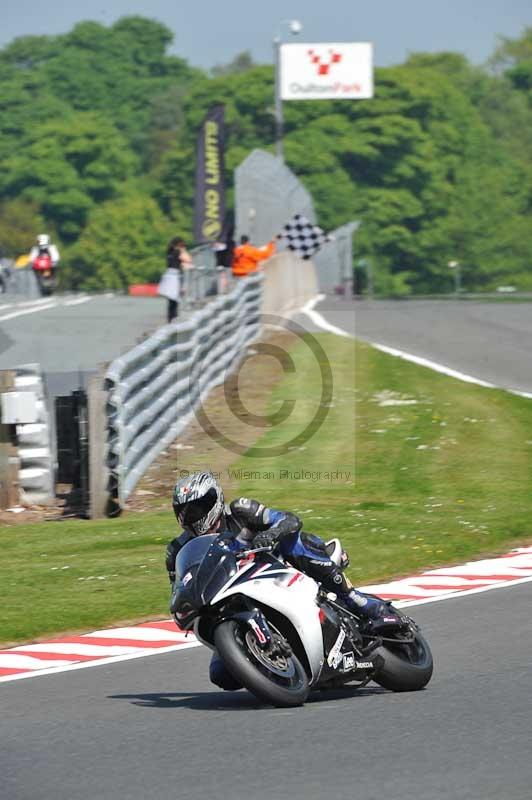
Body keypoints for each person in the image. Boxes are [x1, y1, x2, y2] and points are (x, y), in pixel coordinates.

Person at [165, 471, 405, 691]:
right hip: (231, 593)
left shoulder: (240, 511)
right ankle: (278, 668)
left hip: (279, 570)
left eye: (198, 507)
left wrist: (270, 534)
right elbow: (181, 585)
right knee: (221, 675)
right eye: (185, 512)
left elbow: (289, 520)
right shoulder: (177, 550)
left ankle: (358, 601)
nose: (193, 516)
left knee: (294, 541)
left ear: (215, 501)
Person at [158, 237, 193, 323]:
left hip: (169, 275)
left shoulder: (169, 252)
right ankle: (173, 318)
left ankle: (170, 319)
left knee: (171, 300)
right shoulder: (177, 252)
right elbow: (188, 260)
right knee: (175, 299)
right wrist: (183, 251)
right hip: (175, 276)